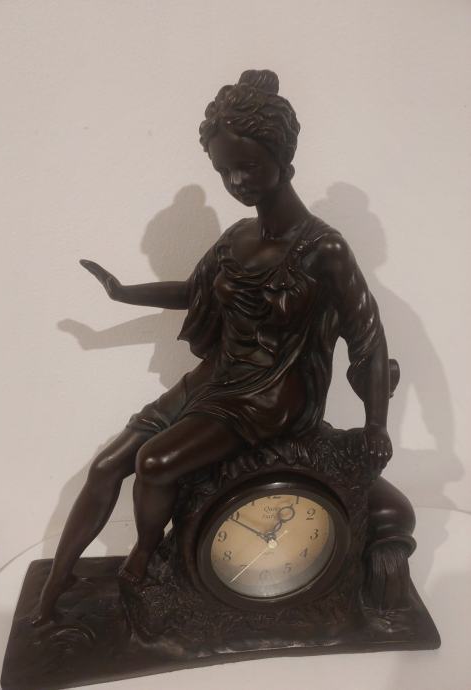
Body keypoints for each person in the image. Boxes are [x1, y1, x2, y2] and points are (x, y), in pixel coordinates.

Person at [33, 69, 412, 624]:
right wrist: (123, 292)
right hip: (218, 377)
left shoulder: (324, 248)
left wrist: (376, 426)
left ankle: (143, 559)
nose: (236, 181)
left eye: (248, 166)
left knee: (154, 462)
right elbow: (194, 292)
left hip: (272, 397)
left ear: (281, 155)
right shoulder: (237, 237)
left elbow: (370, 340)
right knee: (109, 464)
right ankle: (56, 582)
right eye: (224, 171)